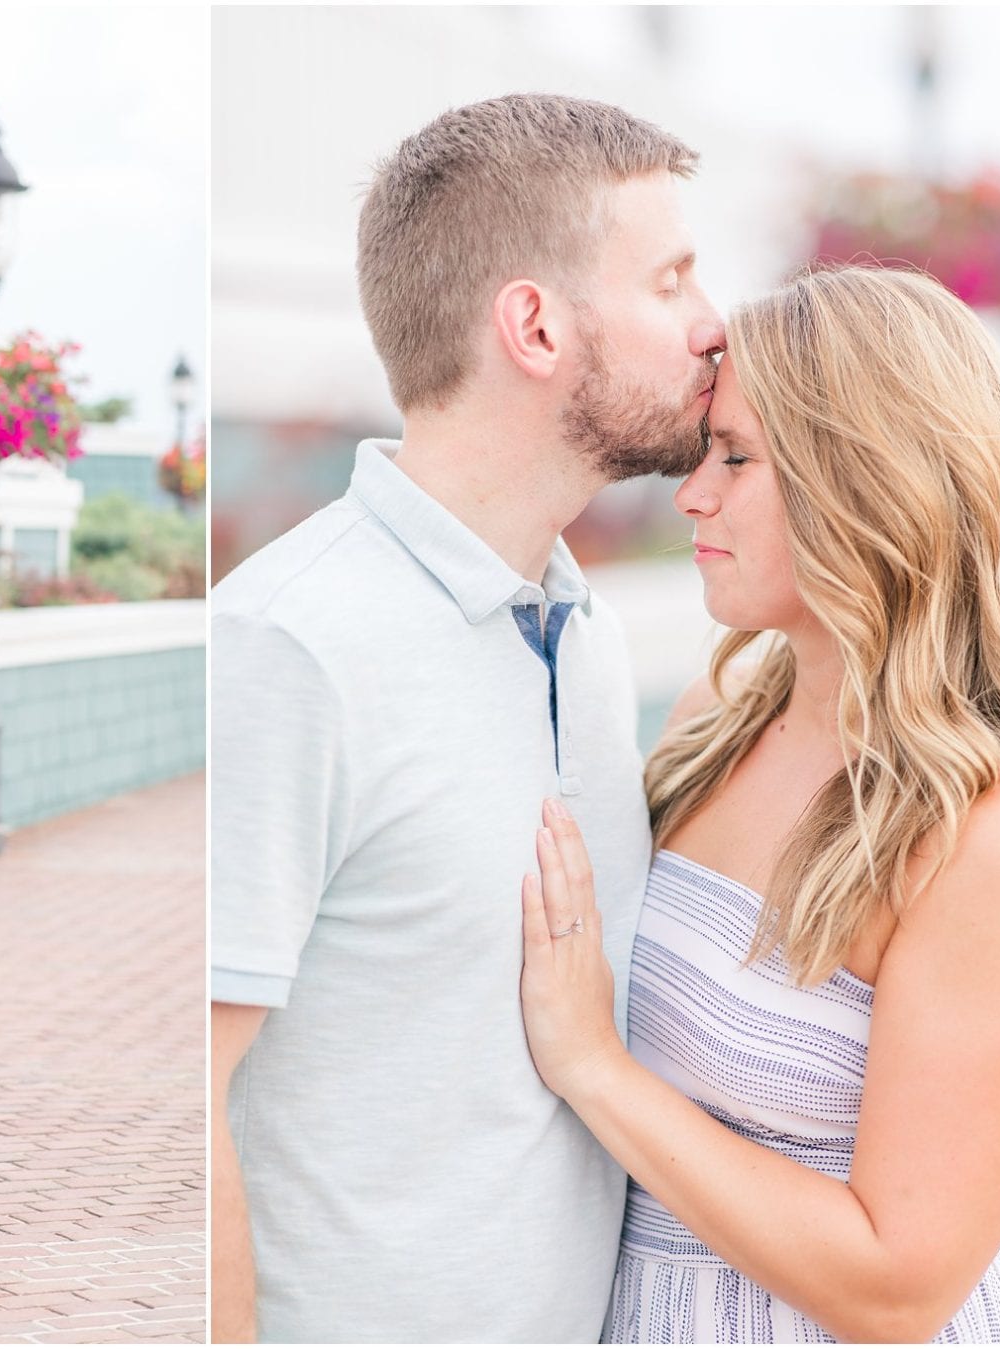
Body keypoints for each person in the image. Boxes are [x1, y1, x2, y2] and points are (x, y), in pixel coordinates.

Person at [211, 94, 724, 1342]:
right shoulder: (286, 645)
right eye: (670, 281)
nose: (714, 327)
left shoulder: (576, 626)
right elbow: (190, 1094)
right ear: (536, 325)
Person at [519, 265, 1000, 1343]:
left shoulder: (988, 843)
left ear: (866, 480)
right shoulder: (711, 724)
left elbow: (899, 1284)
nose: (692, 495)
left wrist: (593, 1062)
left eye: (735, 457)